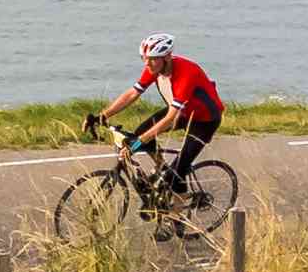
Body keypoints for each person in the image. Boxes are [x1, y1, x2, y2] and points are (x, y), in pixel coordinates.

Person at [91, 33, 225, 197]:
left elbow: (170, 118)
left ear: (167, 57)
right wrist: (102, 116)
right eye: (144, 58)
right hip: (181, 112)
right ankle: (162, 167)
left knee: (177, 173)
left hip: (204, 121)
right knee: (140, 132)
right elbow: (133, 93)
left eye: (152, 58)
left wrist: (138, 143)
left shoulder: (186, 73)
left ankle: (178, 218)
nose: (147, 63)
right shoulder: (154, 67)